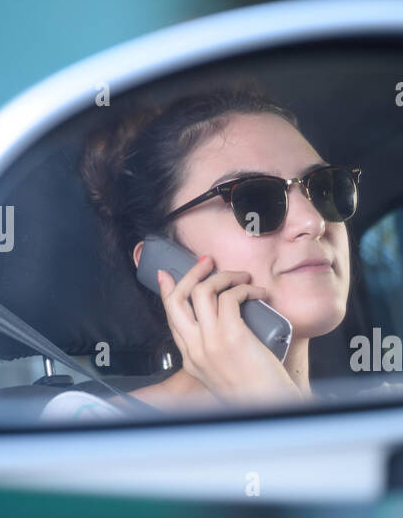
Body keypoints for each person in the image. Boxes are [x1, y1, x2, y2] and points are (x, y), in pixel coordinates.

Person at [40, 85, 359, 420]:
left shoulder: (393, 406)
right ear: (162, 261)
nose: (313, 220)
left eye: (326, 187)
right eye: (253, 200)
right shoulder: (88, 426)